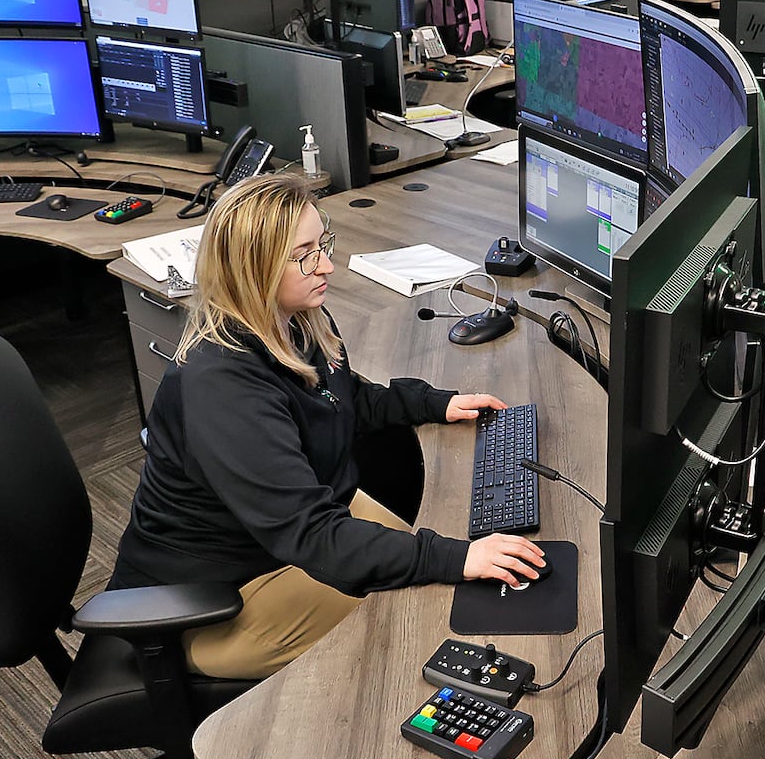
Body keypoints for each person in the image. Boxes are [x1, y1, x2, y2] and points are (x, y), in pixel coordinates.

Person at [107, 172, 545, 680]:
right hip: (217, 597)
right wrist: (455, 557)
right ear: (253, 270)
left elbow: (342, 396)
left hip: (286, 529)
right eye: (305, 255)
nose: (327, 266)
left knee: (442, 568)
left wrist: (433, 403)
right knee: (422, 617)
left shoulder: (294, 320)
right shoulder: (224, 385)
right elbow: (313, 535)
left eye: (324, 244)